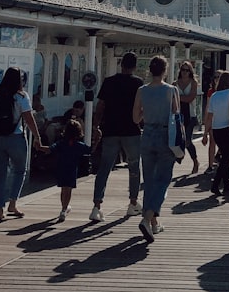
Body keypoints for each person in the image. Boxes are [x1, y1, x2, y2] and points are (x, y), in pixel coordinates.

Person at [0, 66, 48, 222]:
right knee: (20, 170)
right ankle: (12, 203)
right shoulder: (21, 96)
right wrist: (37, 137)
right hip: (15, 138)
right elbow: (28, 118)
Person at [89, 52, 143, 222]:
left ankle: (97, 206)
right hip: (131, 130)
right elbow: (141, 107)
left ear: (121, 64)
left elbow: (101, 105)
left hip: (110, 129)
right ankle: (133, 203)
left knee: (104, 168)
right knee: (134, 167)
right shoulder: (138, 84)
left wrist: (96, 125)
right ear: (135, 66)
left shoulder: (109, 82)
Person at [132, 55, 180, 242]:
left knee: (149, 179)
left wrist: (147, 111)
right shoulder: (171, 90)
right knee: (163, 179)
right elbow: (176, 114)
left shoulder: (141, 90)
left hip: (147, 134)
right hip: (165, 135)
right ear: (165, 70)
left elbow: (135, 118)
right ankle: (147, 218)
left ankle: (153, 223)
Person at [201, 70, 229, 196]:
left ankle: (226, 184)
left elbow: (209, 115)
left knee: (225, 156)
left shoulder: (215, 95)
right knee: (226, 157)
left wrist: (205, 133)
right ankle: (216, 184)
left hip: (217, 130)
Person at [50, 118, 90, 222]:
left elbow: (51, 149)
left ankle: (63, 207)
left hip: (60, 168)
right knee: (68, 189)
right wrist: (97, 139)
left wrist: (40, 146)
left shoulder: (61, 143)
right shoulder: (78, 145)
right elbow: (89, 150)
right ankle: (64, 209)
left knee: (63, 189)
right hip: (72, 169)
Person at [175, 60, 201, 175]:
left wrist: (178, 97)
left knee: (188, 140)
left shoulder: (193, 83)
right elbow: (172, 99)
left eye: (187, 70)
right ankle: (178, 158)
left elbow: (190, 98)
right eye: (183, 70)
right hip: (178, 115)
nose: (184, 72)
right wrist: (181, 98)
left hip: (190, 115)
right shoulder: (175, 83)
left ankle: (195, 161)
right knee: (177, 139)